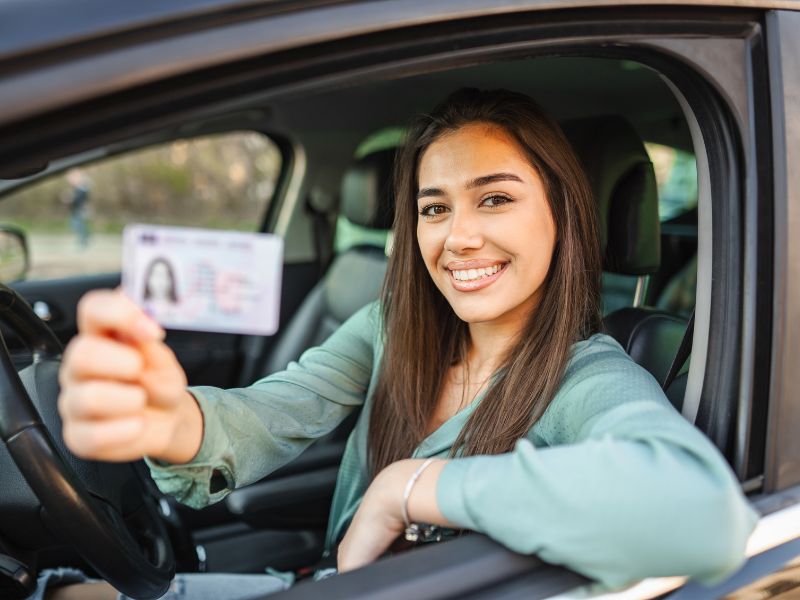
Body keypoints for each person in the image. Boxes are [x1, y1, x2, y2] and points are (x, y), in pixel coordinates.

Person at [39, 89, 758, 600]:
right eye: (434, 207)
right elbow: (275, 410)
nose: (459, 236)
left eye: (496, 198)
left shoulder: (587, 376)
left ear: (563, 216)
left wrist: (407, 488)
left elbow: (701, 515)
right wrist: (175, 426)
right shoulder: (391, 326)